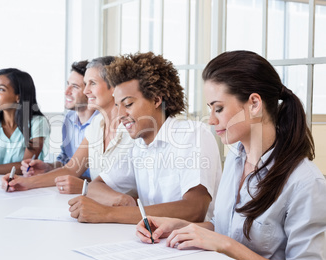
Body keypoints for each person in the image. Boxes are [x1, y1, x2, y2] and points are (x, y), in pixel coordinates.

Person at [136, 51, 326, 260]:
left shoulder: (305, 183)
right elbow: (224, 227)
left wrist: (226, 246)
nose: (211, 120)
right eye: (210, 109)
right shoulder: (236, 159)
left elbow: (227, 241)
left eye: (219, 108)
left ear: (254, 104)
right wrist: (177, 225)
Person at [68, 52, 222, 224]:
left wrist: (108, 213)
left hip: (194, 247)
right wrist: (122, 201)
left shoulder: (191, 135)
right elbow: (96, 186)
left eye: (128, 104)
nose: (120, 115)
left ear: (156, 100)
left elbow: (194, 210)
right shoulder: (138, 145)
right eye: (117, 106)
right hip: (153, 242)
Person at [2, 56, 135, 194]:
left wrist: (85, 188)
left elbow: (123, 189)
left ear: (114, 87)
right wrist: (25, 182)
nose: (85, 91)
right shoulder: (97, 124)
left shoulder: (132, 129)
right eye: (85, 83)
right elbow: (71, 169)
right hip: (96, 205)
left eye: (92, 83)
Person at [20, 60, 99, 179]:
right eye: (68, 84)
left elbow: (106, 179)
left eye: (75, 87)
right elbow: (66, 162)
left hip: (91, 191)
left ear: (89, 91)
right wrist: (47, 167)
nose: (66, 91)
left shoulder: (100, 123)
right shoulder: (69, 118)